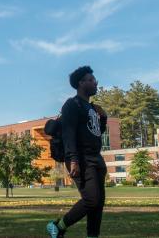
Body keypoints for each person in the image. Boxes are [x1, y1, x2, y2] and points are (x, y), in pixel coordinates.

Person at [47, 66, 108, 238]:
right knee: (91, 199)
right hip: (80, 159)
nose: (95, 82)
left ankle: (92, 236)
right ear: (81, 83)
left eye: (94, 79)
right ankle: (58, 226)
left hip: (96, 158)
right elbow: (68, 134)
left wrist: (103, 119)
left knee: (98, 203)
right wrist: (73, 159)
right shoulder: (72, 105)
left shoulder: (92, 107)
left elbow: (95, 132)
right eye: (91, 80)